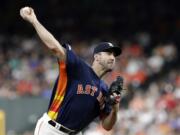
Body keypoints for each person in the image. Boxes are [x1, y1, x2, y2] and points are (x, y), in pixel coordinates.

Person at [20, 6, 122, 135]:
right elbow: (55, 48)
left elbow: (107, 126)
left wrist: (115, 109)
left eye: (114, 55)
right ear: (96, 56)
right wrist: (34, 20)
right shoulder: (78, 67)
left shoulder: (105, 90)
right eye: (108, 53)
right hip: (52, 129)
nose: (113, 58)